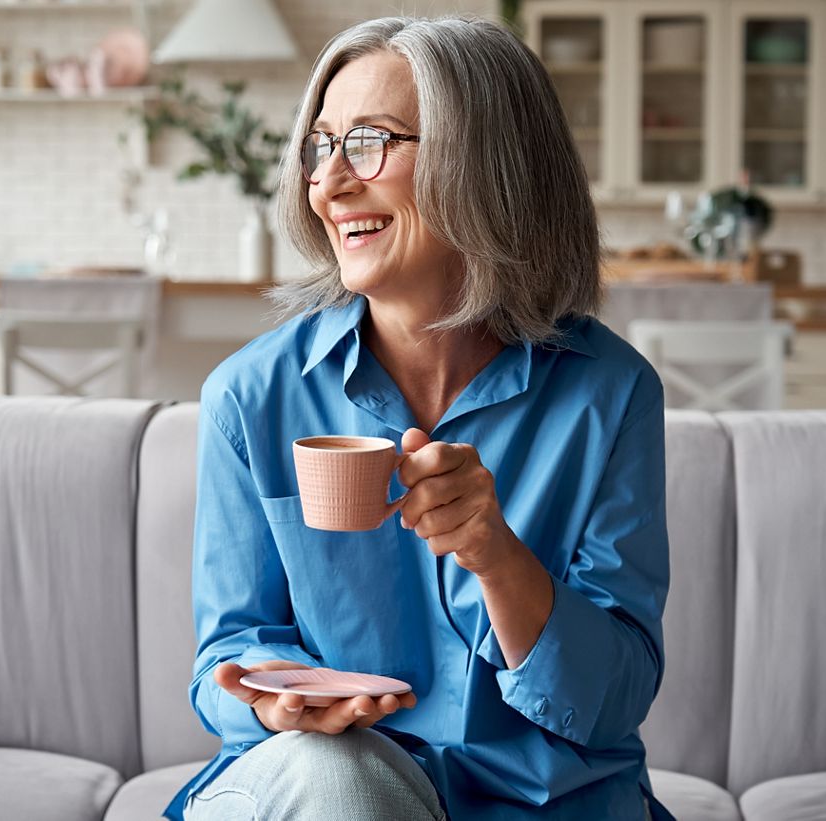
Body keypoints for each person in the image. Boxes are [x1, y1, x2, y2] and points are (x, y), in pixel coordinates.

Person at [164, 15, 671, 821]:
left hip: (544, 804)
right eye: (319, 147)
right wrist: (274, 701)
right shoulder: (250, 397)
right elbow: (226, 655)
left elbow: (611, 701)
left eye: (368, 141)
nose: (328, 184)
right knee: (341, 783)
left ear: (486, 163)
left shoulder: (609, 396)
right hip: (328, 787)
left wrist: (497, 556)